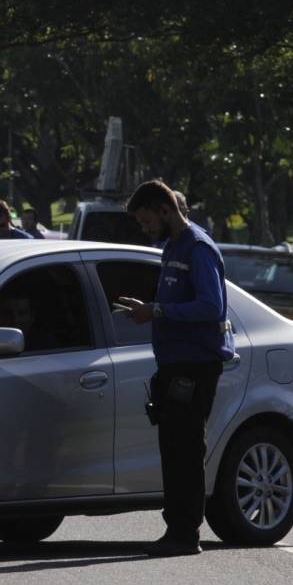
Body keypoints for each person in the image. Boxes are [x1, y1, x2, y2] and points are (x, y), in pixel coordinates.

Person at [116, 179, 235, 557]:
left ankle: (185, 533)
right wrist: (149, 308)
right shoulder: (172, 247)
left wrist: (158, 311)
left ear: (165, 210)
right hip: (174, 364)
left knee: (185, 450)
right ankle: (176, 529)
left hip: (195, 365)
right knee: (173, 449)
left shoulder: (197, 248)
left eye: (147, 220)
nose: (145, 228)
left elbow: (211, 306)